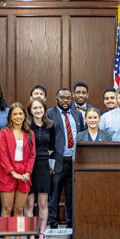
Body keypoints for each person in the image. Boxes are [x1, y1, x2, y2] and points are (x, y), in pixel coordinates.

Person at [47, 88, 85, 228]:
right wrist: (48, 162)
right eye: (62, 98)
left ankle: (70, 227)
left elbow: (81, 136)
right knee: (54, 198)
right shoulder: (50, 114)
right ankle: (53, 226)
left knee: (71, 198)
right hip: (57, 162)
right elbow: (46, 139)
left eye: (68, 98)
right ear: (56, 98)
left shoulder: (77, 114)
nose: (65, 101)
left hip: (73, 163)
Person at [0, 103, 36, 237]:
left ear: (24, 115)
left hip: (24, 175)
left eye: (20, 113)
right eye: (15, 114)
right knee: (7, 208)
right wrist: (13, 173)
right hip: (8, 174)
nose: (18, 116)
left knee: (19, 209)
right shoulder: (4, 132)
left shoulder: (30, 133)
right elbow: (3, 155)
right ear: (10, 117)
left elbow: (32, 155)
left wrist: (27, 173)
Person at [25, 97, 54, 239]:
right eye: (35, 108)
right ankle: (31, 236)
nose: (38, 110)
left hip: (43, 165)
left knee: (43, 203)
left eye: (40, 107)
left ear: (44, 109)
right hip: (28, 166)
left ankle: (41, 235)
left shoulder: (50, 125)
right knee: (29, 204)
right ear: (30, 110)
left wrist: (51, 163)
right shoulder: (26, 126)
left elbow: (54, 146)